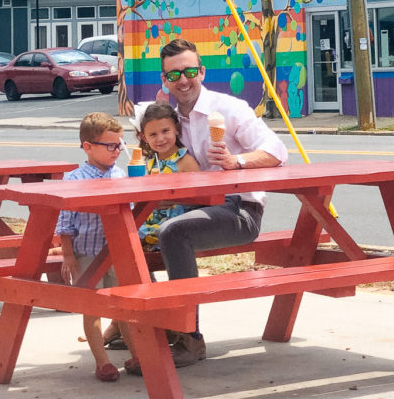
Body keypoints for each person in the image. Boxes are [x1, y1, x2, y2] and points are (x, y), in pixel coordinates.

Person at [151, 37, 288, 368]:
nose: (183, 81)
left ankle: (188, 337)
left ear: (202, 70)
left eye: (189, 71)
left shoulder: (228, 108)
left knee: (172, 233)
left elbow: (277, 152)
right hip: (189, 207)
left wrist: (235, 162)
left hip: (238, 210)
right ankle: (132, 327)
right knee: (127, 230)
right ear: (164, 80)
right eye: (173, 75)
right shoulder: (168, 120)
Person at [56, 112, 132, 383]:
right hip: (86, 253)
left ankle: (137, 354)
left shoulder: (121, 174)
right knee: (93, 306)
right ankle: (102, 361)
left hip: (116, 251)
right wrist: (67, 255)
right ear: (88, 146)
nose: (117, 151)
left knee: (124, 305)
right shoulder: (75, 180)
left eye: (120, 145)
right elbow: (65, 222)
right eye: (110, 145)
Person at [136, 102, 200, 249]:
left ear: (176, 129)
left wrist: (176, 197)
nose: (160, 139)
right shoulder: (151, 162)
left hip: (176, 223)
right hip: (151, 220)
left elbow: (199, 197)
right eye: (153, 134)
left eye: (165, 131)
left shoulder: (185, 161)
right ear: (144, 137)